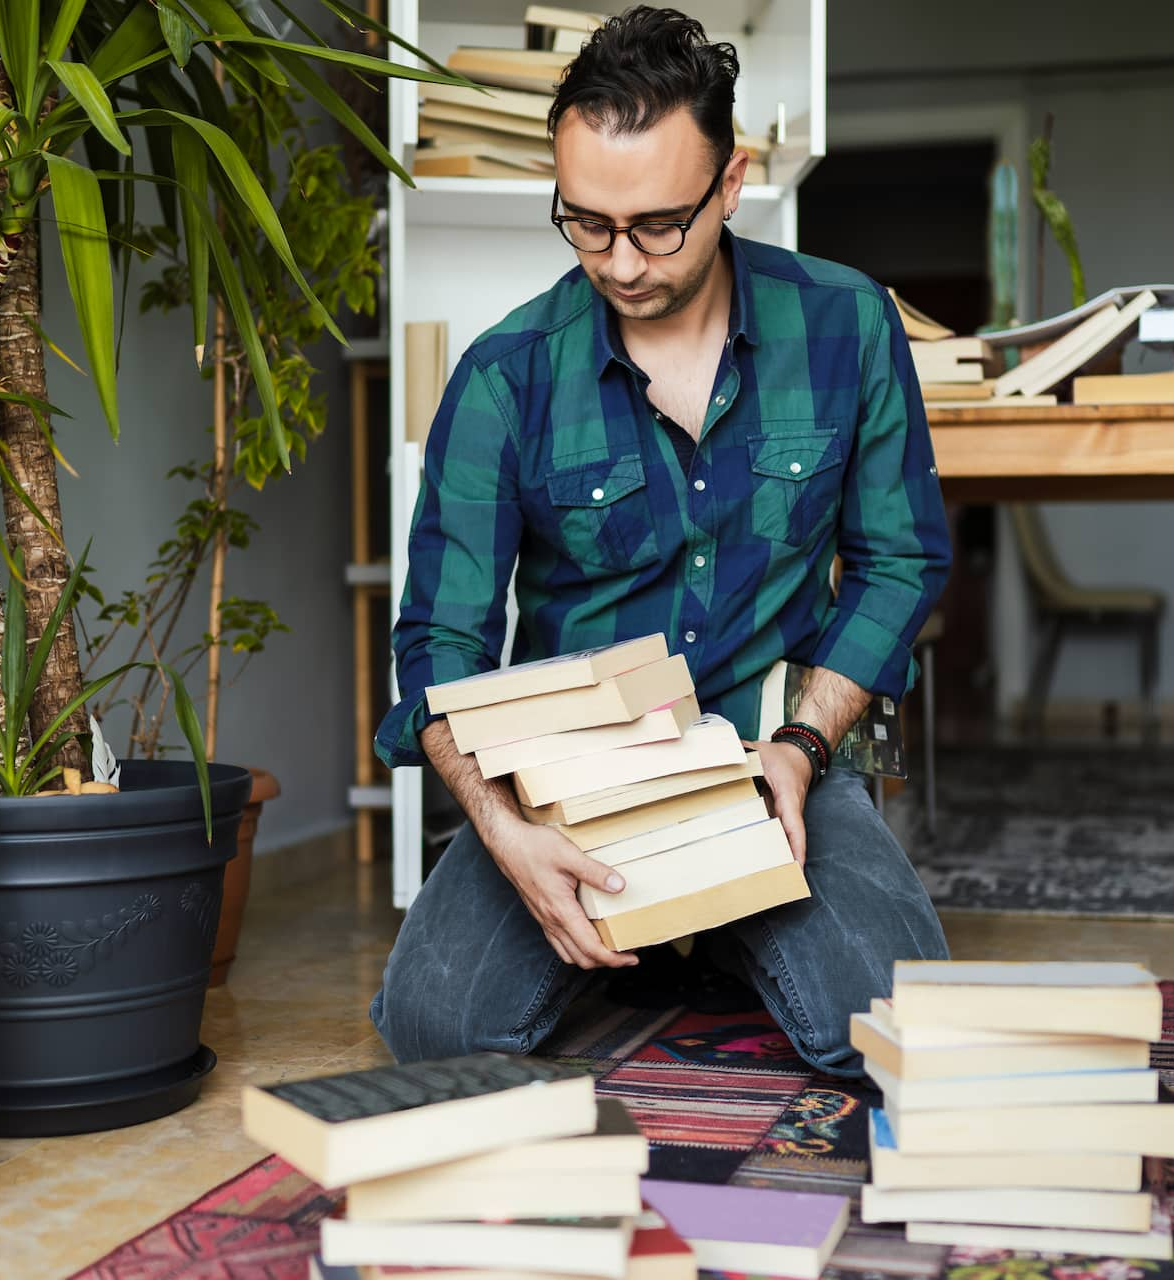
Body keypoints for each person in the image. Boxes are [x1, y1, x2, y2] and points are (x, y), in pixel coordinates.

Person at [368, 5, 950, 1077]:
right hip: (568, 786)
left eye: (656, 226)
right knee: (435, 1028)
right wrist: (504, 830)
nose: (621, 262)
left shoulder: (848, 324)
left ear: (730, 185)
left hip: (774, 758)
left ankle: (713, 925)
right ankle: (687, 924)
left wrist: (804, 744)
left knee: (891, 1030)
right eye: (586, 222)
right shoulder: (506, 373)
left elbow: (900, 559)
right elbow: (437, 644)